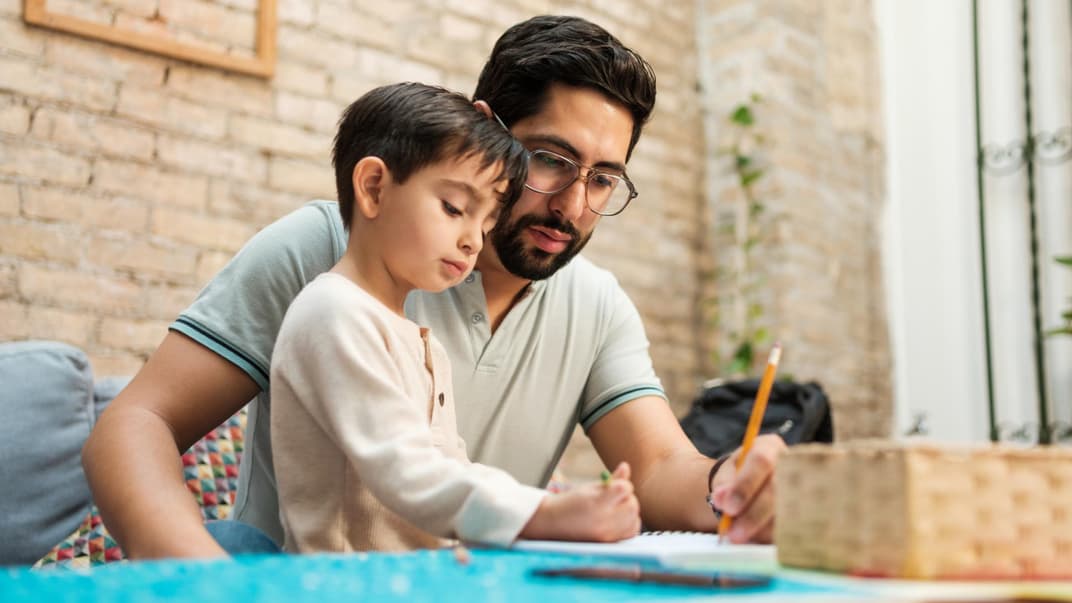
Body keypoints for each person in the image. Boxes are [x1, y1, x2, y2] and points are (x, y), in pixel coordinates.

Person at [82, 15, 785, 559]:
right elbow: (136, 425)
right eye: (550, 161)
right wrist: (202, 579)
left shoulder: (596, 307)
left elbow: (662, 465)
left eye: (602, 179)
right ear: (489, 130)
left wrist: (738, 478)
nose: (572, 205)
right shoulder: (326, 249)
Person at [270, 82, 639, 552]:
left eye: (485, 223)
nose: (473, 241)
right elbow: (407, 472)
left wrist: (564, 503)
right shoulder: (333, 314)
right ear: (374, 187)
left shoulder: (416, 338)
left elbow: (450, 467)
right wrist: (544, 514)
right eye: (454, 209)